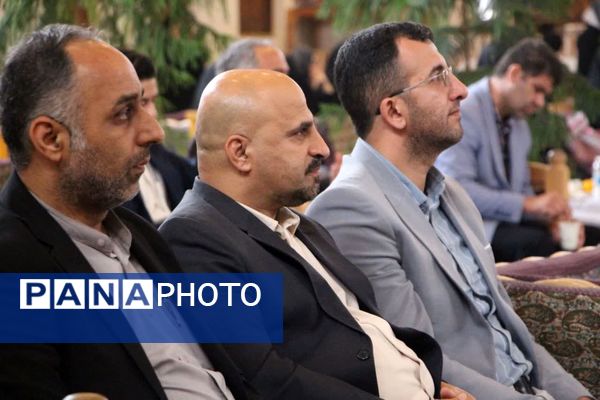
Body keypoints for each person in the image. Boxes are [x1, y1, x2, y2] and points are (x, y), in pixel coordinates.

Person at [307, 22, 593, 400]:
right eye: (438, 77)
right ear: (394, 111)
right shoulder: (351, 208)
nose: (460, 90)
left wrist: (575, 394)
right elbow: (421, 358)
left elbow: (508, 329)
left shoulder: (450, 193)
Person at [160, 69, 474, 400]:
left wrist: (429, 383)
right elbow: (264, 379)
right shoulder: (193, 238)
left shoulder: (297, 223)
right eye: (300, 133)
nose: (322, 148)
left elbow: (358, 327)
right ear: (240, 153)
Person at [0, 24, 253, 399]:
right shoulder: (12, 264)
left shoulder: (139, 234)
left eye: (145, 105)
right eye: (124, 113)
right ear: (51, 139)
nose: (154, 132)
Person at [434, 38, 585, 262]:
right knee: (539, 243)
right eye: (538, 90)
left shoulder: (518, 122)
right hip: (469, 227)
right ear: (515, 73)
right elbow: (456, 190)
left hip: (505, 223)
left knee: (582, 235)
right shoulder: (463, 111)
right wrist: (527, 204)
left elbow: (521, 188)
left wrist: (548, 218)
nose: (540, 102)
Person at [119, 49, 196, 226]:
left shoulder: (158, 152)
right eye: (144, 102)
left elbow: (194, 175)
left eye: (154, 100)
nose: (153, 112)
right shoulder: (106, 172)